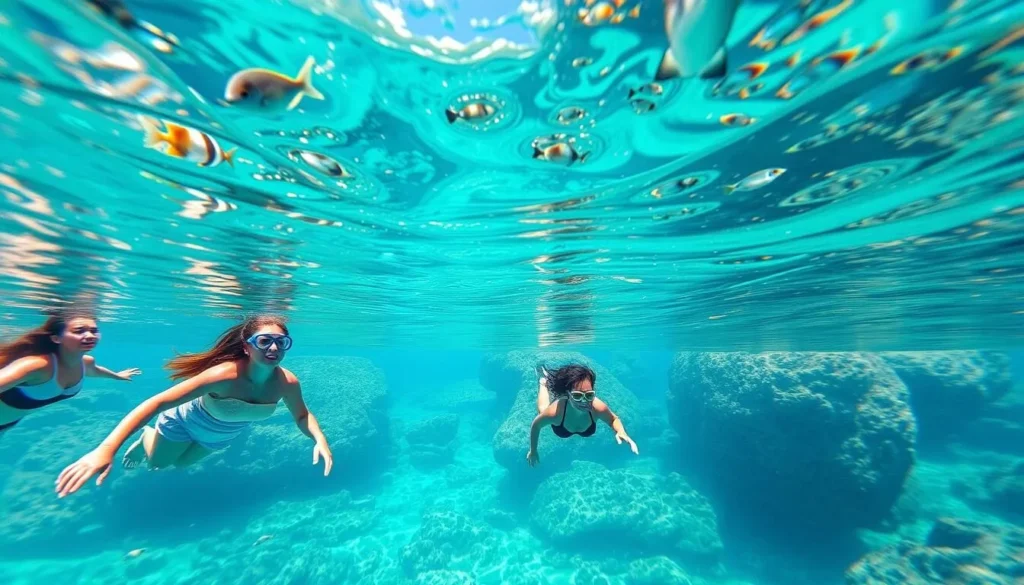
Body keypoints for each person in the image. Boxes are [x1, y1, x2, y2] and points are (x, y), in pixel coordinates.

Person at [55, 315, 333, 497]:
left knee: (182, 465)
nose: (273, 348)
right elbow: (156, 402)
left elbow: (301, 415)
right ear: (247, 347)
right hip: (184, 423)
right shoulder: (222, 376)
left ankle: (158, 446)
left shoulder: (287, 382)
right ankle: (147, 438)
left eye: (281, 342)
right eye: (264, 341)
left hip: (221, 435)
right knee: (158, 465)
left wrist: (319, 438)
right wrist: (106, 449)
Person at [0, 313, 141, 436]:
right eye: (79, 331)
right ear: (56, 338)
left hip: (7, 424)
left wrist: (118, 376)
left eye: (94, 330)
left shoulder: (85, 363)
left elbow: (95, 371)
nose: (90, 335)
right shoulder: (37, 365)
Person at [526, 363, 639, 467]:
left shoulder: (597, 407)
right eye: (578, 396)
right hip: (561, 412)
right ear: (567, 394)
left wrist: (621, 431)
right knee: (543, 410)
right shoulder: (554, 413)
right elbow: (536, 425)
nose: (585, 401)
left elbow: (613, 419)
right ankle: (543, 381)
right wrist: (533, 450)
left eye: (589, 395)